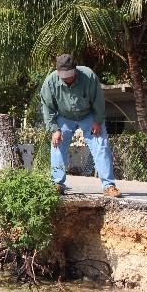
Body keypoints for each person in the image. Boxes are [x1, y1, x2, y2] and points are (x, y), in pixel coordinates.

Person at [40, 54, 122, 197]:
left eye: (69, 75)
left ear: (75, 70)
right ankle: (57, 184)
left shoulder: (88, 75)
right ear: (57, 72)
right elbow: (47, 108)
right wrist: (55, 129)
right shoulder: (50, 82)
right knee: (57, 144)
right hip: (64, 117)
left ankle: (109, 186)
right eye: (63, 76)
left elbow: (99, 100)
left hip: (88, 115)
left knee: (100, 144)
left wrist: (97, 120)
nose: (67, 79)